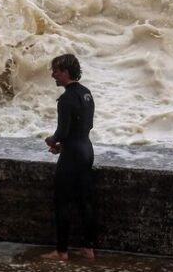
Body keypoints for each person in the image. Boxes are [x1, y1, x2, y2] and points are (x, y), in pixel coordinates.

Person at [42, 54, 97, 261]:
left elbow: (62, 132)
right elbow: (86, 126)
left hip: (72, 155)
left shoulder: (65, 99)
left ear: (65, 72)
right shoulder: (86, 93)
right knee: (85, 202)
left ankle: (61, 251)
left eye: (56, 71)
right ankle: (88, 248)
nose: (53, 74)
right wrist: (65, 146)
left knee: (63, 202)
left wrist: (52, 140)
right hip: (86, 151)